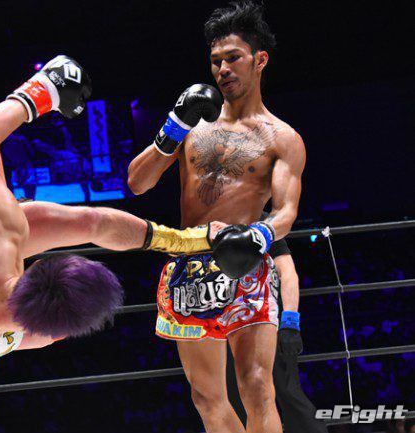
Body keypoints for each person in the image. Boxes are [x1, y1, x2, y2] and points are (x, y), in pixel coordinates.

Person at [0, 55, 225, 433]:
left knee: (63, 220)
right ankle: (187, 241)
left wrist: (41, 92)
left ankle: (187, 241)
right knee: (79, 224)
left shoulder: (0, 230)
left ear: (40, 264)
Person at [127, 2, 306, 432]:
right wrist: (173, 125)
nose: (222, 69)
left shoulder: (282, 137)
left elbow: (286, 211)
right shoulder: (192, 125)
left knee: (258, 387)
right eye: (215, 61)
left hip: (247, 260)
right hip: (190, 266)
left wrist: (259, 234)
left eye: (233, 58)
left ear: (260, 60)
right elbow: (137, 183)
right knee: (207, 398)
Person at [225, 219, 328, 433]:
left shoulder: (261, 220)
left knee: (288, 392)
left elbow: (287, 271)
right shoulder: (203, 221)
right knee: (234, 399)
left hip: (266, 321)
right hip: (224, 326)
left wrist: (290, 323)